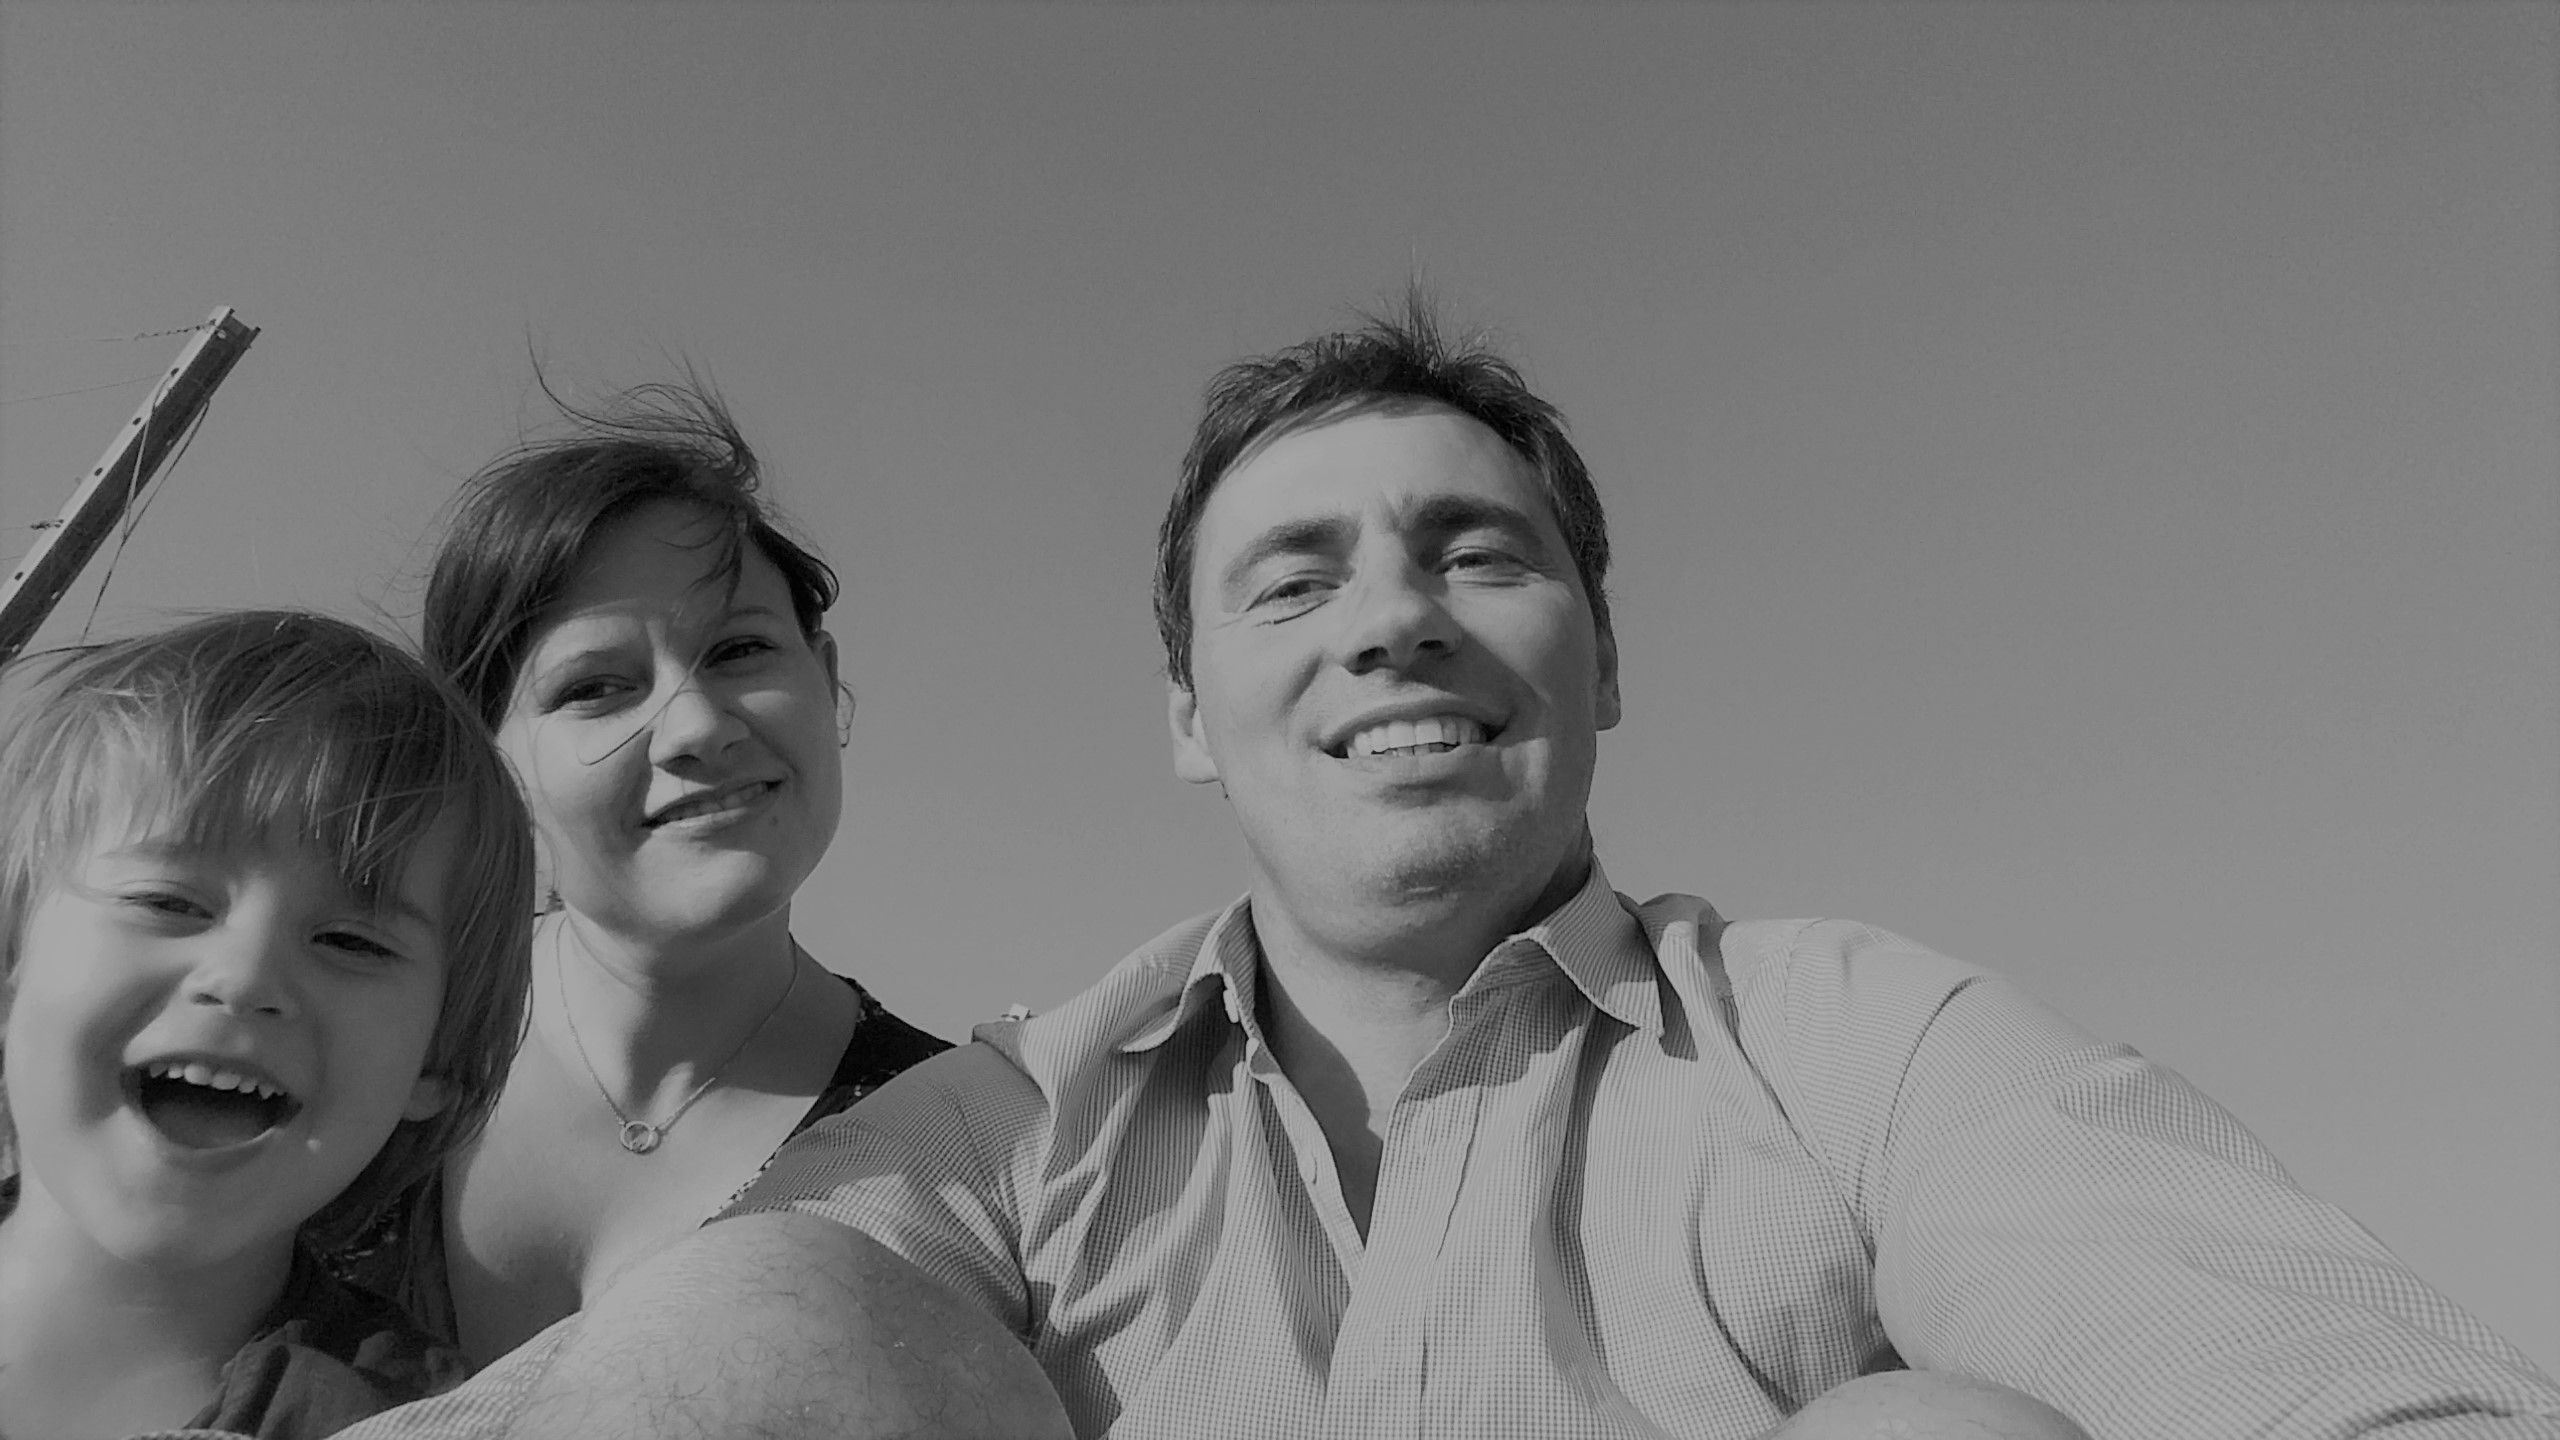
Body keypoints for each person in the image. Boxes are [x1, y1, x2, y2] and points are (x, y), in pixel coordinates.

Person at [334, 305, 2560, 1440]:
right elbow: (723, 1362)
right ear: (1189, 714)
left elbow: (2248, 1339)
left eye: (1472, 553)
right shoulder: (1020, 1113)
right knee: (783, 1301)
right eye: (1289, 581)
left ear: (1598, 657)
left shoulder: (1853, 1041)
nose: (1389, 619)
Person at [336, 383, 952, 1365]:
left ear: (824, 678)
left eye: (740, 649)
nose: (699, 726)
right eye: (594, 687)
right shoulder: (340, 1045)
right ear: (489, 761)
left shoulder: (971, 1150)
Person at [0, 611, 533, 1439]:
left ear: (439, 1060)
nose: (246, 979)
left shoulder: (420, 1422)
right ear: (10, 968)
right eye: (167, 902)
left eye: (351, 942)